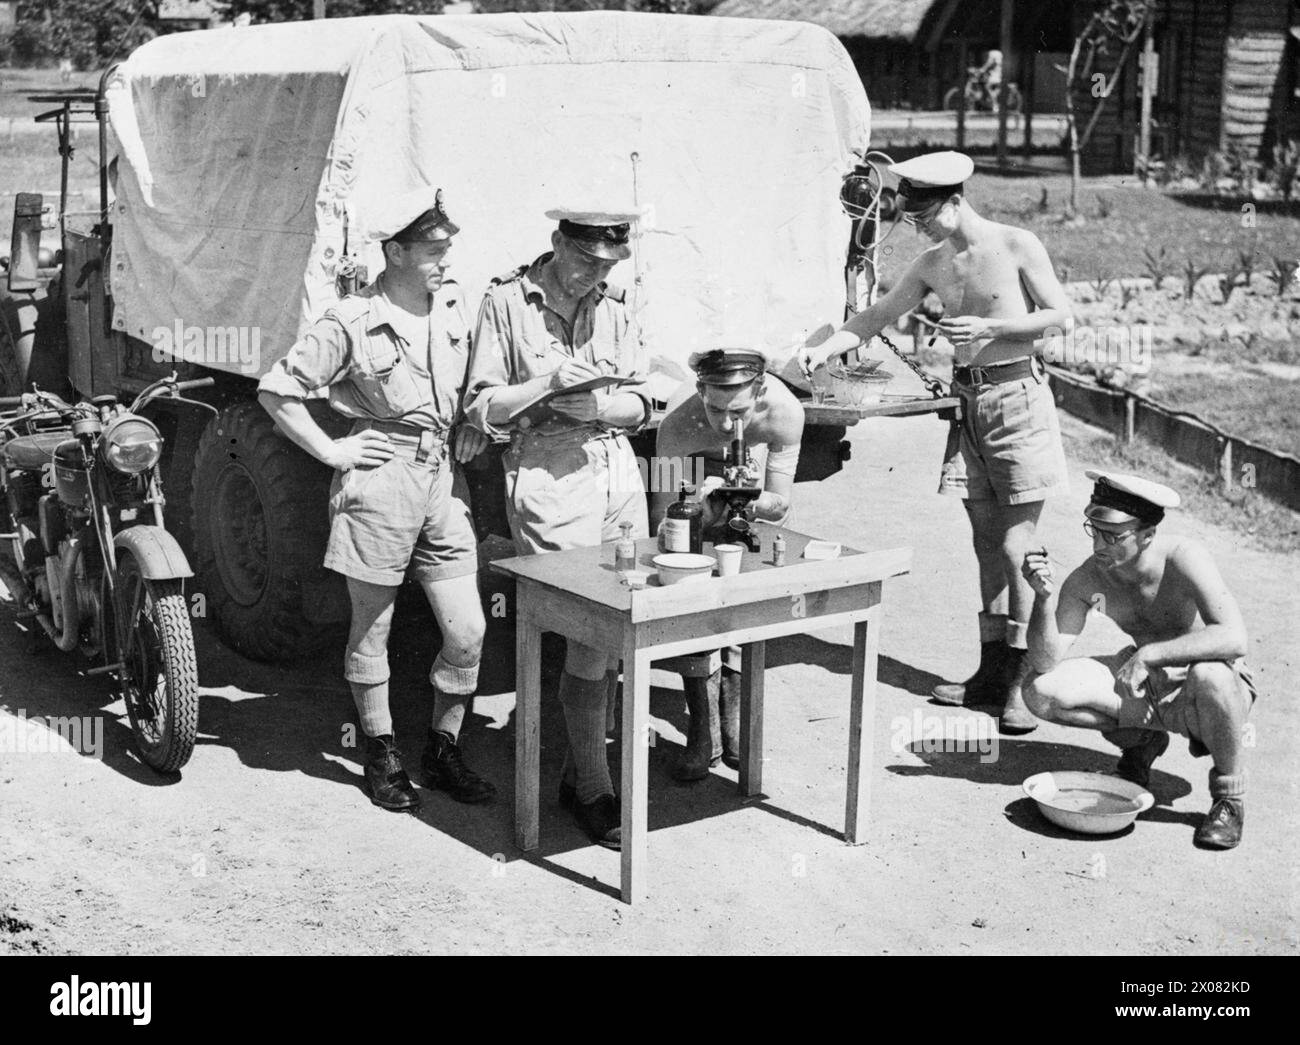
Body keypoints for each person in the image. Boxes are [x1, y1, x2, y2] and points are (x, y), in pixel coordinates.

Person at [800, 150, 1072, 734]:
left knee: (1018, 543)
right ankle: (992, 671)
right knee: (983, 541)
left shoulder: (1015, 244)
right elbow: (877, 314)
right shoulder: (932, 262)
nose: (918, 228)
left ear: (954, 201)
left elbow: (1060, 316)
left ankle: (1025, 679)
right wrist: (821, 350)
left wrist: (992, 329)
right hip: (967, 405)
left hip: (1019, 400)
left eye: (925, 216)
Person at [257, 189, 496, 812]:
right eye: (433, 249)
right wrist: (332, 453)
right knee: (374, 627)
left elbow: (472, 384)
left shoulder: (451, 307)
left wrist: (472, 420)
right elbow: (278, 391)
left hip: (443, 476)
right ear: (394, 251)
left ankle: (443, 747)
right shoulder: (350, 321)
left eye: (449, 247)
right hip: (381, 478)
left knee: (467, 630)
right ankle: (381, 751)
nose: (446, 259)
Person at [463, 206, 651, 849]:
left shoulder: (616, 303)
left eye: (607, 265)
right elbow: (483, 406)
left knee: (626, 615)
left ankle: (584, 770)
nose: (594, 276)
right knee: (587, 626)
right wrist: (546, 384)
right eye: (585, 262)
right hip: (548, 470)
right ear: (555, 244)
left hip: (616, 469)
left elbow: (642, 403)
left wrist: (604, 405)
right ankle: (592, 787)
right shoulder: (507, 302)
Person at [1021, 472, 1255, 850]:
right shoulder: (1088, 579)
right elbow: (1045, 660)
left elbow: (1233, 637)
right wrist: (1042, 600)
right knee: (1038, 690)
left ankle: (1229, 798)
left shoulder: (1184, 557)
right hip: (1145, 682)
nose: (1099, 544)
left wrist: (1150, 654)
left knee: (1212, 676)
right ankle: (1142, 741)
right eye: (1094, 530)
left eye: (1113, 535)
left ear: (1148, 535)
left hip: (1204, 682)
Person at [650, 348, 803, 780]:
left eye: (738, 410)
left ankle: (733, 725)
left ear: (760, 391)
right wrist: (697, 508)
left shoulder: (786, 411)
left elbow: (782, 507)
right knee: (691, 595)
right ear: (699, 390)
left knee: (747, 589)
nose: (725, 423)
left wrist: (750, 501)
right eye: (715, 409)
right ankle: (704, 729)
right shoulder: (677, 424)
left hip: (746, 489)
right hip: (694, 488)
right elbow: (663, 531)